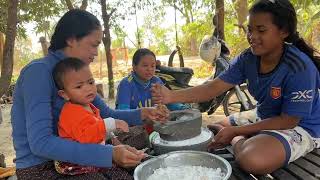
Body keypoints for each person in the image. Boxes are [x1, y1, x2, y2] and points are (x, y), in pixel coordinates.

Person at [152, 0, 320, 175]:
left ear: (283, 31)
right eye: (250, 29)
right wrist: (170, 96)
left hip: (301, 127)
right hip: (264, 115)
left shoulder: (299, 67)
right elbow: (213, 88)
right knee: (212, 129)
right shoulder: (248, 58)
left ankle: (239, 140)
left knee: (252, 159)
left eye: (261, 30)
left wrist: (236, 133)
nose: (252, 36)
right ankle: (245, 137)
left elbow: (289, 121)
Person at [11, 9, 168, 180]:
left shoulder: (78, 72)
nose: (96, 52)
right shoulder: (38, 72)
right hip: (42, 166)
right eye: (94, 45)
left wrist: (145, 113)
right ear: (71, 39)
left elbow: (107, 115)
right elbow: (41, 144)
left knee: (141, 135)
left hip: (77, 149)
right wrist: (109, 154)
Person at [52, 58, 130, 175]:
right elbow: (85, 137)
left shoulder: (89, 106)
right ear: (65, 94)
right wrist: (111, 123)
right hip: (74, 162)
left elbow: (96, 127)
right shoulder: (70, 113)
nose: (88, 88)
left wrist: (113, 138)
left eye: (91, 82)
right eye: (79, 87)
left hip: (92, 152)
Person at [115, 48, 188, 133]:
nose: (149, 69)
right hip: (132, 130)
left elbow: (169, 101)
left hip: (152, 126)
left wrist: (183, 108)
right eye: (145, 65)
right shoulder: (126, 84)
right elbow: (122, 113)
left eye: (152, 66)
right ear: (134, 66)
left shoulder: (156, 81)